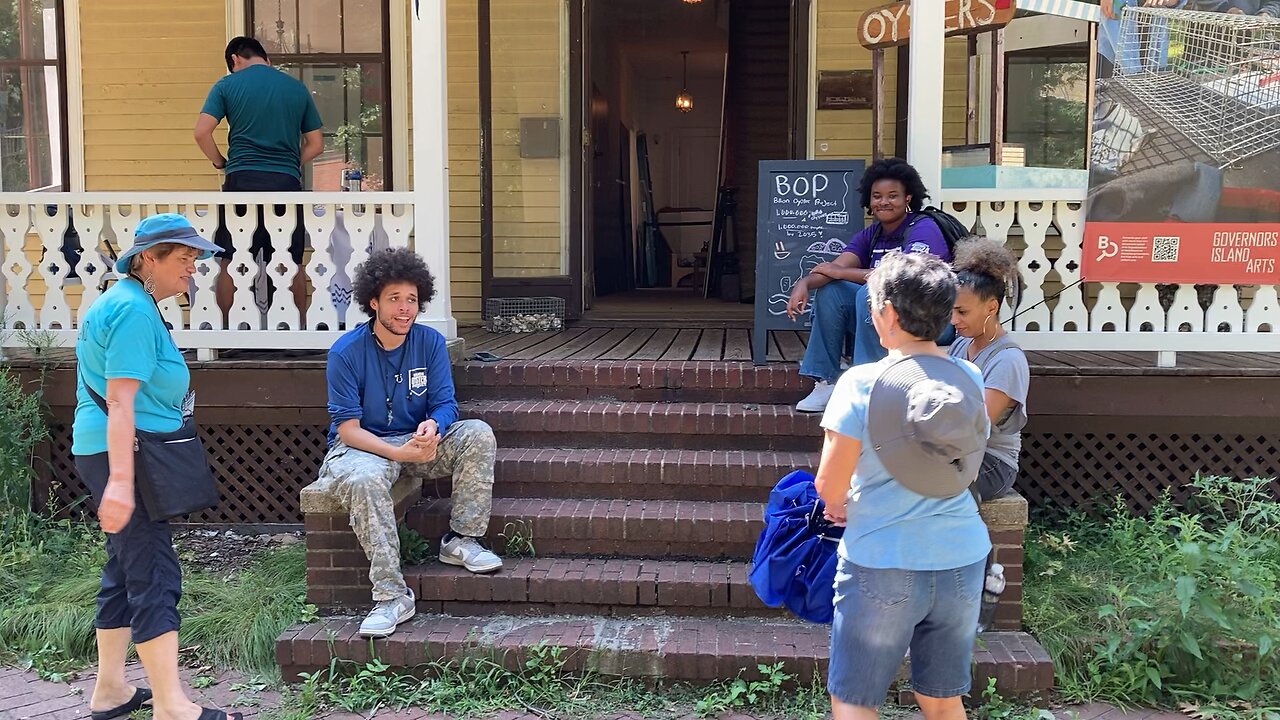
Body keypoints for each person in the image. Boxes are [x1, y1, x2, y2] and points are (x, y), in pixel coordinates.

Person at [72, 214, 241, 720]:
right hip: (127, 455)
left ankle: (111, 691)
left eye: (195, 258)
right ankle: (172, 706)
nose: (193, 267)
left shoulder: (133, 303)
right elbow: (121, 403)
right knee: (153, 573)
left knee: (124, 571)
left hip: (120, 451)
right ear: (149, 258)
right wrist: (121, 483)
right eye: (184, 258)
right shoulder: (131, 312)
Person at [814, 251, 991, 720]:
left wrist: (840, 504)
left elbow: (829, 484)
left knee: (855, 698)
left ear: (888, 313)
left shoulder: (860, 383)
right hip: (963, 555)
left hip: (882, 558)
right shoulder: (970, 376)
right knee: (942, 697)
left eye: (873, 306)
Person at [319, 247, 502, 639]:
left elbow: (444, 401)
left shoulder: (430, 342)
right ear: (373, 302)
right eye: (394, 299)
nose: (405, 309)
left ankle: (461, 539)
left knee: (477, 434)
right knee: (364, 480)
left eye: (412, 300)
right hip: (363, 447)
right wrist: (396, 452)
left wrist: (434, 427)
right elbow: (347, 429)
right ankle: (391, 596)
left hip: (414, 443)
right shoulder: (345, 353)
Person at [787, 158, 953, 413]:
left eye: (892, 196)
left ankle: (867, 384)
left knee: (871, 292)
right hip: (883, 322)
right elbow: (835, 270)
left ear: (908, 197)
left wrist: (840, 271)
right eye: (877, 196)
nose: (883, 202)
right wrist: (805, 283)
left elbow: (905, 279)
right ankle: (826, 381)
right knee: (833, 291)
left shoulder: (923, 228)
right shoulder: (872, 234)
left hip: (926, 322)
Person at [194, 36, 324, 325]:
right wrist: (290, 163)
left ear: (234, 60)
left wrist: (220, 163)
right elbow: (316, 143)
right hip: (285, 183)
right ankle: (297, 329)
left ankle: (227, 331)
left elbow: (202, 132)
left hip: (242, 180)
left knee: (231, 258)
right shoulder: (295, 88)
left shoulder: (227, 85)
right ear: (266, 59)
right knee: (291, 260)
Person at [949, 237, 1030, 502]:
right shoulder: (961, 345)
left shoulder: (1007, 360)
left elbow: (975, 427)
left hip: (992, 463)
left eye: (962, 311)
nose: (953, 320)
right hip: (956, 451)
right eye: (951, 310)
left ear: (992, 307)